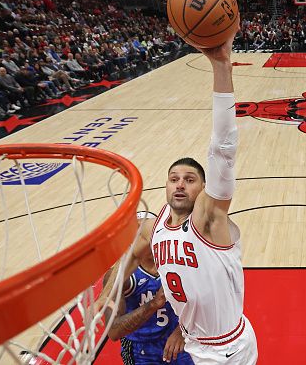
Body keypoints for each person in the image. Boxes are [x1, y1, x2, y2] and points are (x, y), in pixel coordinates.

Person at [100, 19, 258, 364]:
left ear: (205, 189)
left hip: (229, 347)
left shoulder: (208, 218)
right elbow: (124, 264)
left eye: (190, 179)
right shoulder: (152, 227)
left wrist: (221, 66)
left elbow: (224, 148)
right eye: (174, 178)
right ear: (166, 185)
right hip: (194, 346)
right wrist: (114, 285)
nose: (181, 183)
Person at [104, 215, 194, 365]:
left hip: (177, 338)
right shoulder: (120, 277)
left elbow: (203, 302)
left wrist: (181, 331)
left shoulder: (179, 261)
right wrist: (153, 304)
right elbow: (113, 332)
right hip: (139, 348)